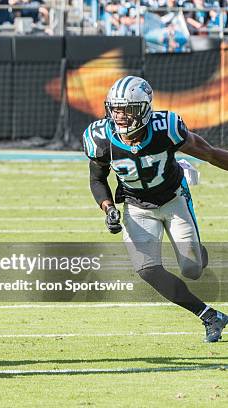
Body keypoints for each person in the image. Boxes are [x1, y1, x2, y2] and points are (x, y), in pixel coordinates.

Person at [84, 75, 228, 343]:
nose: (120, 116)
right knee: (147, 269)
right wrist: (108, 208)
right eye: (115, 109)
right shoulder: (101, 138)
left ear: (144, 109)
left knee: (192, 269)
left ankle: (198, 251)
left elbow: (208, 152)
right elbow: (97, 178)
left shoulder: (166, 128)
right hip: (137, 206)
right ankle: (209, 316)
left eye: (126, 109)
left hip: (174, 200)